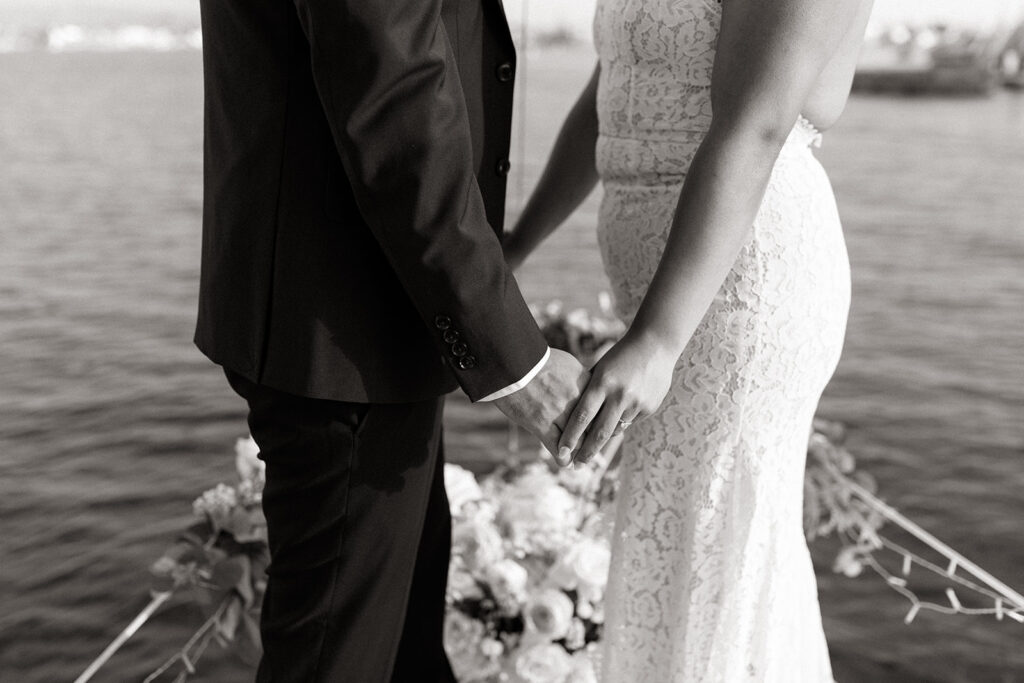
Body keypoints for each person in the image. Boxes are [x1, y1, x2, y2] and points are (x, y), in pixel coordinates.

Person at [193, 1, 587, 681]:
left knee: (399, 650)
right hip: (346, 333)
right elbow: (391, 88)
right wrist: (513, 357)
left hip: (355, 325)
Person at [504, 0, 874, 680]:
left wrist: (657, 339)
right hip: (660, 294)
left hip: (740, 288)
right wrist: (517, 244)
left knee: (714, 557)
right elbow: (608, 94)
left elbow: (756, 126)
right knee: (669, 556)